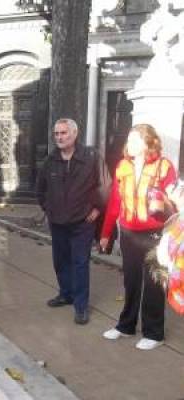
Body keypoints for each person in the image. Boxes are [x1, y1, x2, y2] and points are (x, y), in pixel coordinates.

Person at [100, 124, 176, 350]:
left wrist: (166, 198)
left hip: (156, 233)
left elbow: (174, 199)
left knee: (154, 282)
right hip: (128, 232)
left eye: (135, 140)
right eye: (129, 140)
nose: (129, 145)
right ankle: (126, 326)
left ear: (148, 143)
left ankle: (154, 333)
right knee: (130, 280)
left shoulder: (164, 166)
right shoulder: (123, 166)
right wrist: (106, 234)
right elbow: (115, 202)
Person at [37, 118, 110, 325]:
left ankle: (81, 306)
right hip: (57, 221)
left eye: (63, 133)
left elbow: (105, 186)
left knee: (80, 263)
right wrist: (48, 208)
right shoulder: (50, 160)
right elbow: (40, 189)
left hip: (82, 222)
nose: (59, 137)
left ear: (75, 134)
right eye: (57, 133)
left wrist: (97, 209)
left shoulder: (91, 157)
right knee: (60, 261)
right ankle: (66, 294)